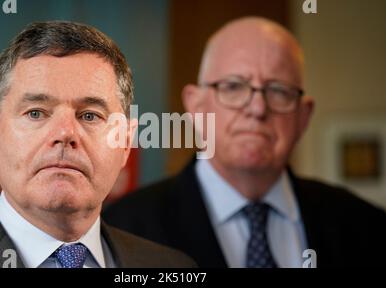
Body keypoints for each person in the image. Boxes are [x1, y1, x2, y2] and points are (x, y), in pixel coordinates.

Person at [104, 17, 386, 268]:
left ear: (303, 116)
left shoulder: (366, 227)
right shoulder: (119, 230)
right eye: (234, 86)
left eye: (278, 90)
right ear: (196, 106)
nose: (257, 108)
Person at [0, 21, 196, 268]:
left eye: (90, 115)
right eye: (36, 112)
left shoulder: (173, 267)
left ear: (126, 143)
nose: (64, 133)